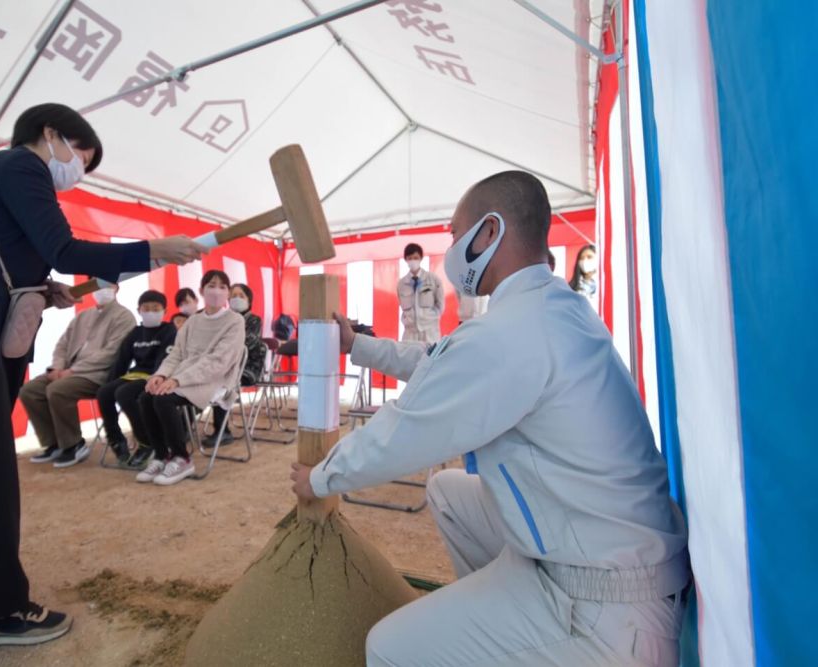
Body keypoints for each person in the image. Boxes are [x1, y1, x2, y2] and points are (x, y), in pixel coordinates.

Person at [291, 171, 689, 666]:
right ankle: (504, 635)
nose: (450, 248)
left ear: (489, 232)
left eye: (456, 234)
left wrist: (321, 478)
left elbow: (407, 430)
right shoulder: (549, 308)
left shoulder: (513, 331)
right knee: (449, 492)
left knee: (388, 649)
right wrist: (359, 346)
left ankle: (536, 641)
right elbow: (443, 363)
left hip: (606, 605)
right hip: (607, 552)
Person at [0, 102, 206, 651]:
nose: (78, 170)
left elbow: (24, 257)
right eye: (82, 156)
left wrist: (38, 285)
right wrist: (154, 250)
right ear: (50, 134)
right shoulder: (19, 167)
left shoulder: (7, 179)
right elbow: (66, 249)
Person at [133, 270, 245, 484]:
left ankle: (181, 457)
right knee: (147, 395)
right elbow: (176, 353)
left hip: (214, 379)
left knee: (163, 400)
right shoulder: (193, 321)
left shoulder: (235, 321)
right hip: (185, 374)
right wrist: (161, 375)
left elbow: (218, 362)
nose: (217, 290)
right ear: (202, 290)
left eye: (223, 287)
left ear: (228, 293)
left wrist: (177, 380)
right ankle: (160, 455)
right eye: (212, 285)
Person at [21, 284, 135, 467]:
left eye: (107, 284)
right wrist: (57, 368)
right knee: (29, 390)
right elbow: (62, 345)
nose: (102, 289)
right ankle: (54, 443)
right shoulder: (84, 315)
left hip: (99, 375)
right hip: (68, 371)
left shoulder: (124, 317)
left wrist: (73, 371)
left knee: (58, 390)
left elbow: (111, 354)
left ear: (117, 288)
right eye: (98, 284)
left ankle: (74, 444)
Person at [96, 290, 177, 463]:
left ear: (165, 310)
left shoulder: (169, 330)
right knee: (104, 393)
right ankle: (116, 440)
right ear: (138, 310)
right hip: (135, 375)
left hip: (157, 375)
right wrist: (111, 383)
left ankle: (147, 442)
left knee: (124, 393)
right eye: (146, 308)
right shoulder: (136, 332)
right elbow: (122, 360)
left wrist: (158, 378)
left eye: (155, 308)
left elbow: (165, 358)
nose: (150, 312)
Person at [209, 282, 267, 445]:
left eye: (241, 296)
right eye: (233, 295)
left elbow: (246, 344)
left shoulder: (254, 320)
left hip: (247, 369)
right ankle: (184, 428)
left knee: (220, 381)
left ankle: (223, 432)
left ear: (249, 300)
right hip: (224, 367)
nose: (236, 298)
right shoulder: (222, 319)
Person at [397, 242, 444, 342]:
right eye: (410, 258)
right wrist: (407, 320)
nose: (413, 261)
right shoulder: (401, 284)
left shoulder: (433, 279)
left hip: (430, 331)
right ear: (406, 259)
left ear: (421, 258)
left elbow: (440, 304)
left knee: (431, 357)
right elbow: (402, 306)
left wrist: (431, 317)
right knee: (408, 356)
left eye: (415, 257)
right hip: (410, 332)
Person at [569, 244, 598, 309]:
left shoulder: (605, 286)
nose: (585, 261)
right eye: (581, 258)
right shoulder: (571, 288)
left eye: (589, 257)